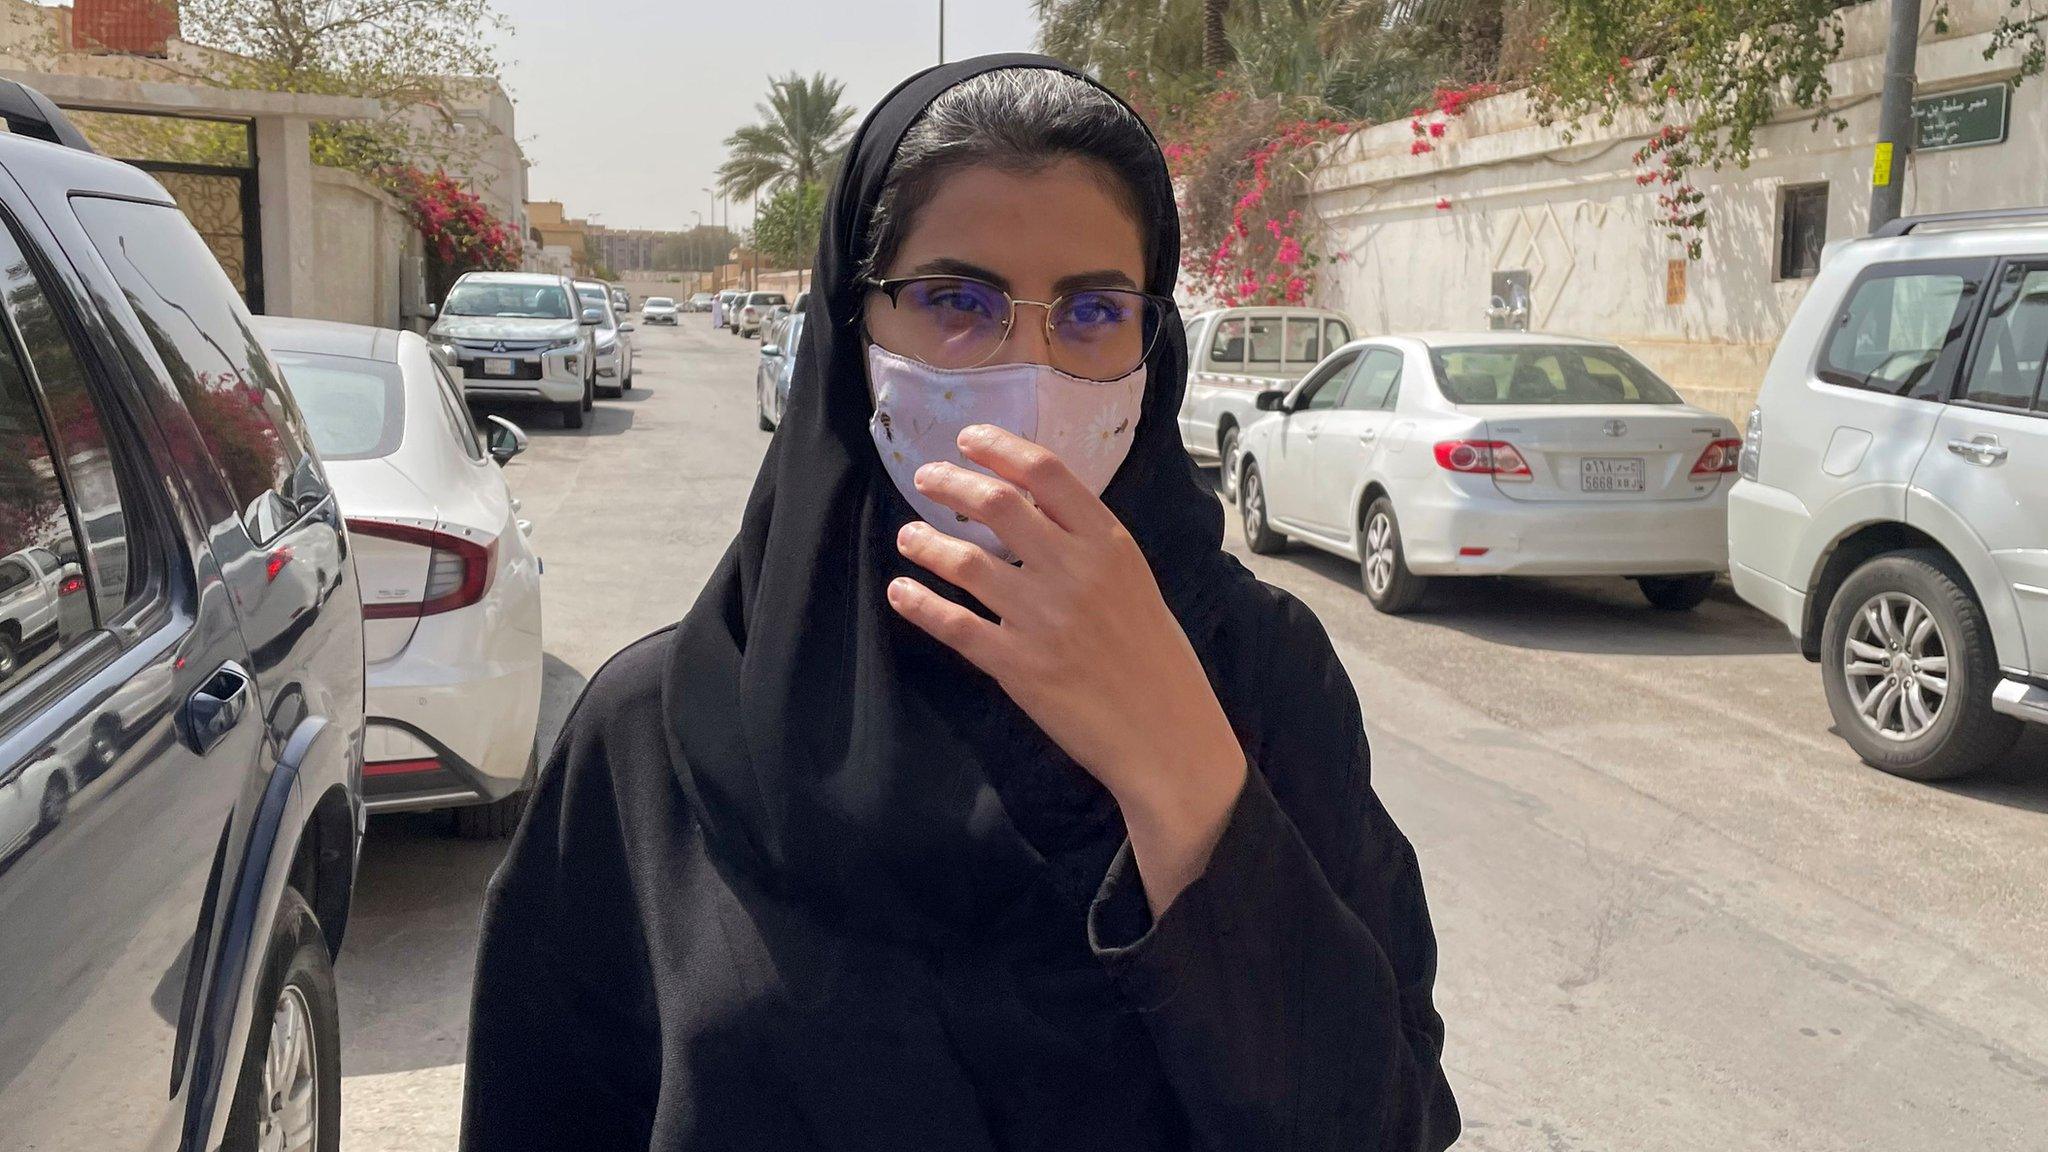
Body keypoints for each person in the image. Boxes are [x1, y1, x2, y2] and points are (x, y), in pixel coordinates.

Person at [462, 55, 1459, 1152]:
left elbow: (1383, 1124)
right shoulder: (658, 728)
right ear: (854, 331)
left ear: (1151, 343)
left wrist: (1185, 777)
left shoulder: (1259, 678)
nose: (1025, 369)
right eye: (954, 301)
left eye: (1089, 310)